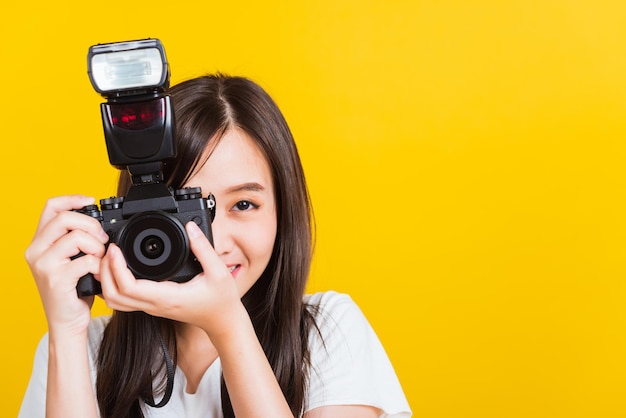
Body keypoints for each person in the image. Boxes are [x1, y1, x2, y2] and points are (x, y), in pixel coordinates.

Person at [20, 74, 412, 417]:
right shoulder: (84, 346)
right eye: (186, 214)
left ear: (282, 212)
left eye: (244, 204)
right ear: (136, 219)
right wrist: (66, 330)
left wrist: (228, 324)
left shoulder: (327, 330)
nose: (216, 242)